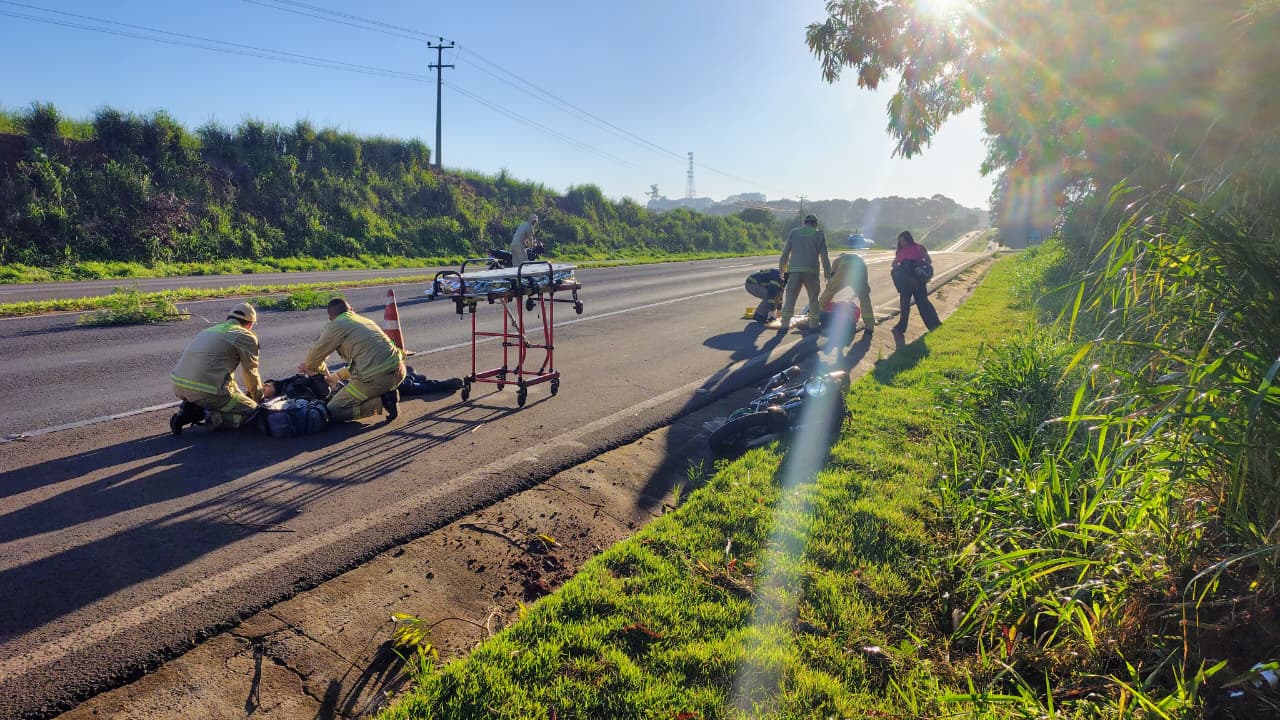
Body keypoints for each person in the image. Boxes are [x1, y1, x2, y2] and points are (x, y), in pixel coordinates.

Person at [298, 297, 407, 423]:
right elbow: (366, 362)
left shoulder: (336, 325)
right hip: (399, 371)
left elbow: (312, 361)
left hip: (376, 379)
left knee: (332, 410)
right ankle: (384, 393)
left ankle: (381, 402)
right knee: (360, 384)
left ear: (330, 318)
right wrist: (335, 376)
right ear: (351, 310)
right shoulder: (364, 320)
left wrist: (320, 372)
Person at [169, 302, 264, 435]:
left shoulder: (210, 330)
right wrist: (257, 398)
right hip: (205, 391)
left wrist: (241, 396)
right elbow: (250, 372)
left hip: (177, 385)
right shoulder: (246, 336)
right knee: (254, 413)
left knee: (228, 396)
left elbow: (225, 377)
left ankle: (192, 408)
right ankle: (209, 416)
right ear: (250, 323)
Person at [777, 214, 832, 333]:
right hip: (811, 272)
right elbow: (824, 257)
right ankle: (813, 325)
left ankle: (784, 325)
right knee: (813, 299)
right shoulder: (819, 234)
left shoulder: (794, 233)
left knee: (790, 298)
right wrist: (827, 274)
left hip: (794, 271)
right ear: (815, 224)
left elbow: (785, 253)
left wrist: (782, 269)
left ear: (804, 223)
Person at [890, 230, 941, 333]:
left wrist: (917, 264)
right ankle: (901, 327)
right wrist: (900, 265)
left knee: (923, 304)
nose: (902, 243)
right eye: (900, 241)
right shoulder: (900, 251)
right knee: (904, 305)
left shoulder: (919, 247)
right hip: (905, 282)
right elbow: (894, 264)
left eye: (903, 240)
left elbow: (928, 260)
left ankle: (934, 324)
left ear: (908, 239)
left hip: (918, 281)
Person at [817, 252, 875, 333]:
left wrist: (830, 292)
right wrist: (862, 292)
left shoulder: (838, 259)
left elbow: (832, 278)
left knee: (829, 292)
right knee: (864, 299)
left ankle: (816, 315)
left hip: (844, 270)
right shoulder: (860, 259)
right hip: (860, 268)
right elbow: (865, 282)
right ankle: (869, 326)